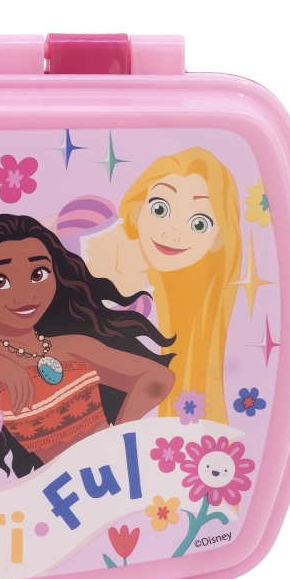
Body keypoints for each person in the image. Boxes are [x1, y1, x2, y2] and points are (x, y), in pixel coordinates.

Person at [0, 214, 175, 478]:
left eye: (38, 274)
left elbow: (158, 377)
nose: (24, 294)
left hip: (114, 470)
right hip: (57, 486)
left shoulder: (72, 346)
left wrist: (117, 435)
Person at [83, 148, 241, 423]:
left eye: (199, 223)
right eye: (160, 209)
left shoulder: (179, 306)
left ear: (218, 239)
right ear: (137, 209)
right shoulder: (89, 227)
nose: (173, 233)